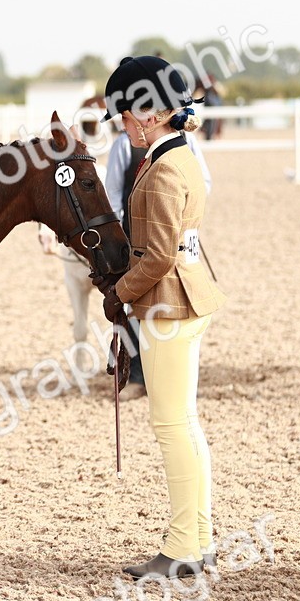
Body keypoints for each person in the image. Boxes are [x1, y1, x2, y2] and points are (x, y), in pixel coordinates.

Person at [94, 55, 227, 579]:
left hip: (169, 303)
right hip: (177, 298)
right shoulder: (175, 154)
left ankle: (180, 548)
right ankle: (200, 538)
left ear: (148, 114)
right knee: (185, 426)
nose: (124, 130)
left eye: (126, 119)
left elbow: (162, 254)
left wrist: (119, 295)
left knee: (172, 426)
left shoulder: (167, 167)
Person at [104, 115, 214, 402]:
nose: (122, 126)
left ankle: (165, 378)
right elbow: (114, 193)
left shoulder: (179, 150)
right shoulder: (122, 146)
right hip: (132, 235)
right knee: (138, 313)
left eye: (126, 118)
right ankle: (138, 376)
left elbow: (203, 183)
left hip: (168, 238)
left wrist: (182, 218)